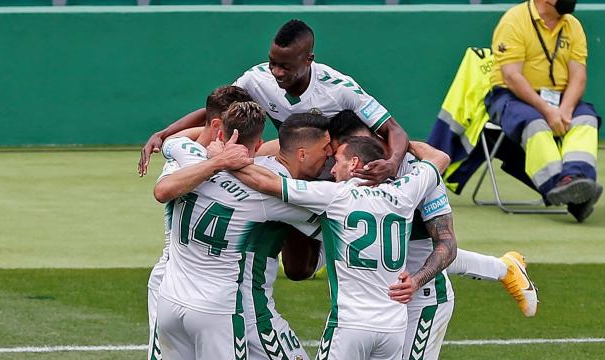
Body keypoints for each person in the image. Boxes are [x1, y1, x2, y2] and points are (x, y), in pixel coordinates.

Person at [231, 135, 454, 360]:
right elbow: (440, 157)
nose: (333, 170)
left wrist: (221, 160)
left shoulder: (335, 195)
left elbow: (265, 182)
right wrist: (399, 142)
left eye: (337, 161)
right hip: (394, 328)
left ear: (354, 163)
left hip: (350, 326)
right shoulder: (405, 192)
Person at [138, 19, 409, 186]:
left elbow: (394, 130)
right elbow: (215, 110)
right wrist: (163, 134)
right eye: (273, 62)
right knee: (297, 269)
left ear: (309, 60)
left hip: (334, 165)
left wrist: (394, 162)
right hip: (291, 162)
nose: (277, 72)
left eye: (286, 66)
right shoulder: (256, 79)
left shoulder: (339, 89)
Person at [329, 110, 539, 320]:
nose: (352, 159)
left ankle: (504, 269)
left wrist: (417, 281)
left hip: (422, 296)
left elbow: (447, 245)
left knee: (420, 241)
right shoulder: (343, 172)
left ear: (379, 136)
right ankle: (504, 268)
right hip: (385, 297)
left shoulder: (417, 169)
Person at [154, 101, 324, 359]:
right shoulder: (270, 192)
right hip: (216, 310)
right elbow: (331, 224)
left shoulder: (190, 156)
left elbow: (171, 142)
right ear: (258, 145)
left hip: (168, 300)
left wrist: (216, 154)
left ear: (219, 133)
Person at [145, 85, 252, 360]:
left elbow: (185, 135)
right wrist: (217, 162)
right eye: (235, 127)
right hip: (173, 277)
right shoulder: (184, 156)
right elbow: (163, 191)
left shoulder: (181, 145)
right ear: (220, 127)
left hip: (206, 285)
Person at [486, 0, 602, 222]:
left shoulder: (573, 25)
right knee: (535, 124)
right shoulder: (514, 20)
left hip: (561, 98)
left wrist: (566, 110)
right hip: (511, 96)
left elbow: (579, 76)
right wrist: (548, 111)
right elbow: (512, 76)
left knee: (586, 119)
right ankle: (562, 187)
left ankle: (575, 179)